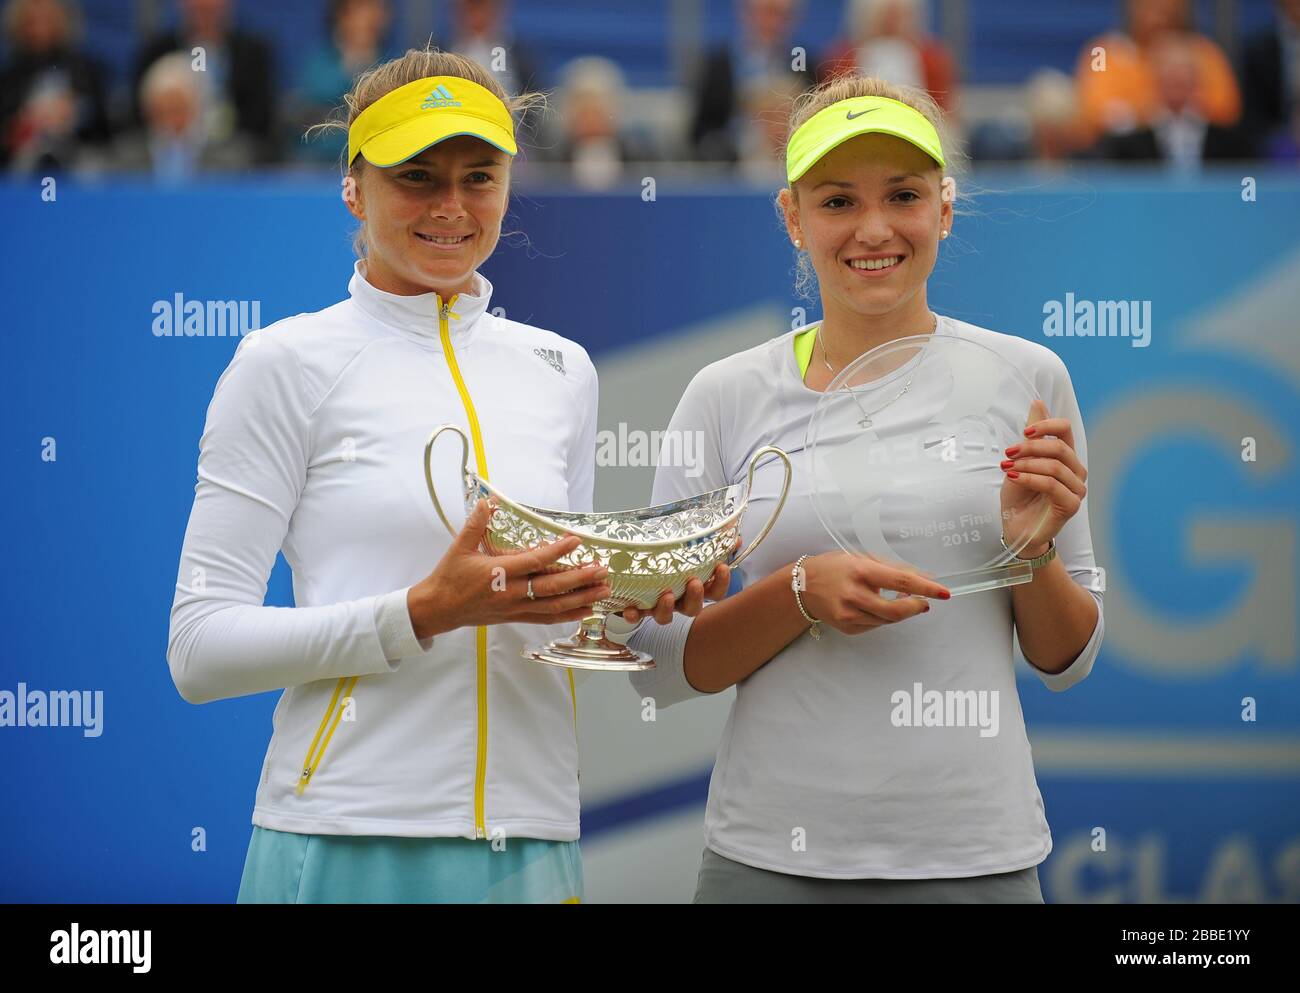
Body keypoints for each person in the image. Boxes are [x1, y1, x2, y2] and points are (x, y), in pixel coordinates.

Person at [166, 47, 723, 904]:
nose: (452, 207)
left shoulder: (562, 369)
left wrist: (635, 601)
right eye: (417, 177)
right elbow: (199, 650)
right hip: (349, 835)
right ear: (353, 188)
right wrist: (424, 611)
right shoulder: (281, 362)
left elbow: (551, 616)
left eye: (479, 176)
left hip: (532, 840)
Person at [622, 75, 1106, 903]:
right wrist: (799, 594)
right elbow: (656, 662)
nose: (873, 229)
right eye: (838, 200)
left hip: (977, 859)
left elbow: (1069, 659)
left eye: (904, 196)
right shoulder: (725, 394)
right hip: (769, 861)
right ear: (792, 218)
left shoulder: (1027, 377)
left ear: (944, 210)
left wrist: (1032, 554)